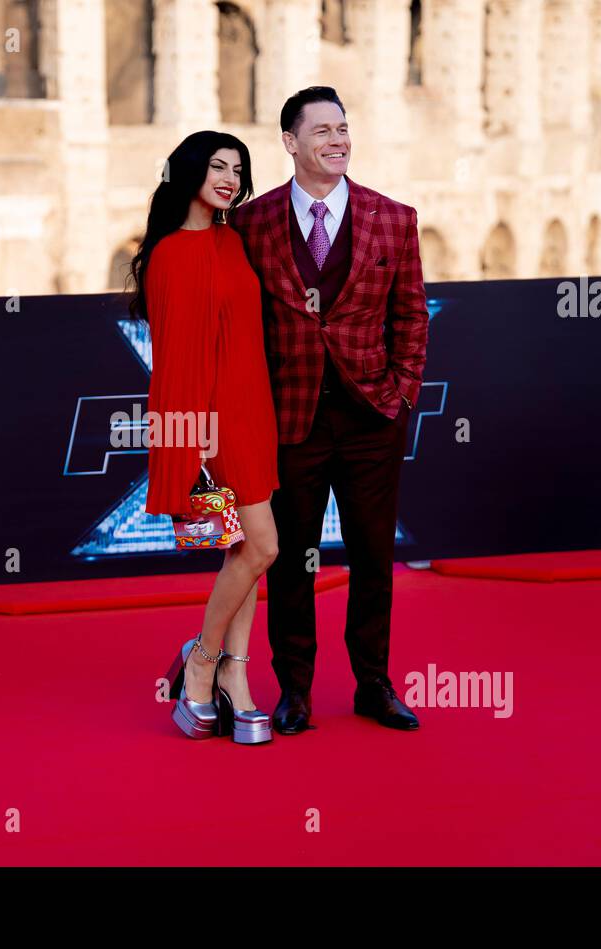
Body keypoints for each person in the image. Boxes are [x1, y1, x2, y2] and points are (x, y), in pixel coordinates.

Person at [228, 87, 429, 734]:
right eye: (322, 131)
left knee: (373, 558)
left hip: (373, 417)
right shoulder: (252, 224)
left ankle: (374, 684)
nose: (338, 139)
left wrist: (401, 394)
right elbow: (243, 324)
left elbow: (410, 316)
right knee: (291, 560)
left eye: (343, 127)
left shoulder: (393, 219)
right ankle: (296, 693)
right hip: (290, 423)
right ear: (290, 143)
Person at [129, 131, 280, 744]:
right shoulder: (170, 254)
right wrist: (193, 446)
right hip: (209, 430)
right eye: (217, 166)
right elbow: (174, 364)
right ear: (189, 171)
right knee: (262, 547)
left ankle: (236, 678)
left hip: (254, 416)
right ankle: (202, 660)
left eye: (238, 168)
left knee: (242, 553)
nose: (229, 177)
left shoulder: (234, 242)